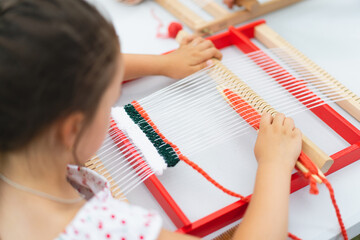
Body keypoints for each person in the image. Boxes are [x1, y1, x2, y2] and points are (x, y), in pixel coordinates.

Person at [0, 0, 302, 240]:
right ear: (73, 129)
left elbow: (56, 65)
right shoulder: (106, 230)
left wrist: (163, 63)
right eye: (109, 101)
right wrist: (274, 165)